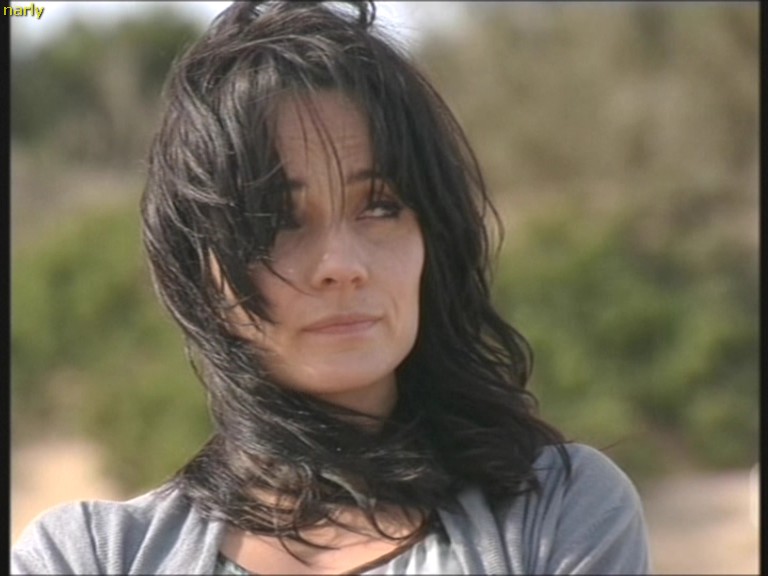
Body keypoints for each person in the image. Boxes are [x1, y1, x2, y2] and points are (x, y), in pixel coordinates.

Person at [11, 1, 651, 574]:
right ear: (198, 267)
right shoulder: (91, 556)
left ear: (433, 238)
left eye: (381, 206)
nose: (341, 264)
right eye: (277, 220)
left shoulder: (558, 512)